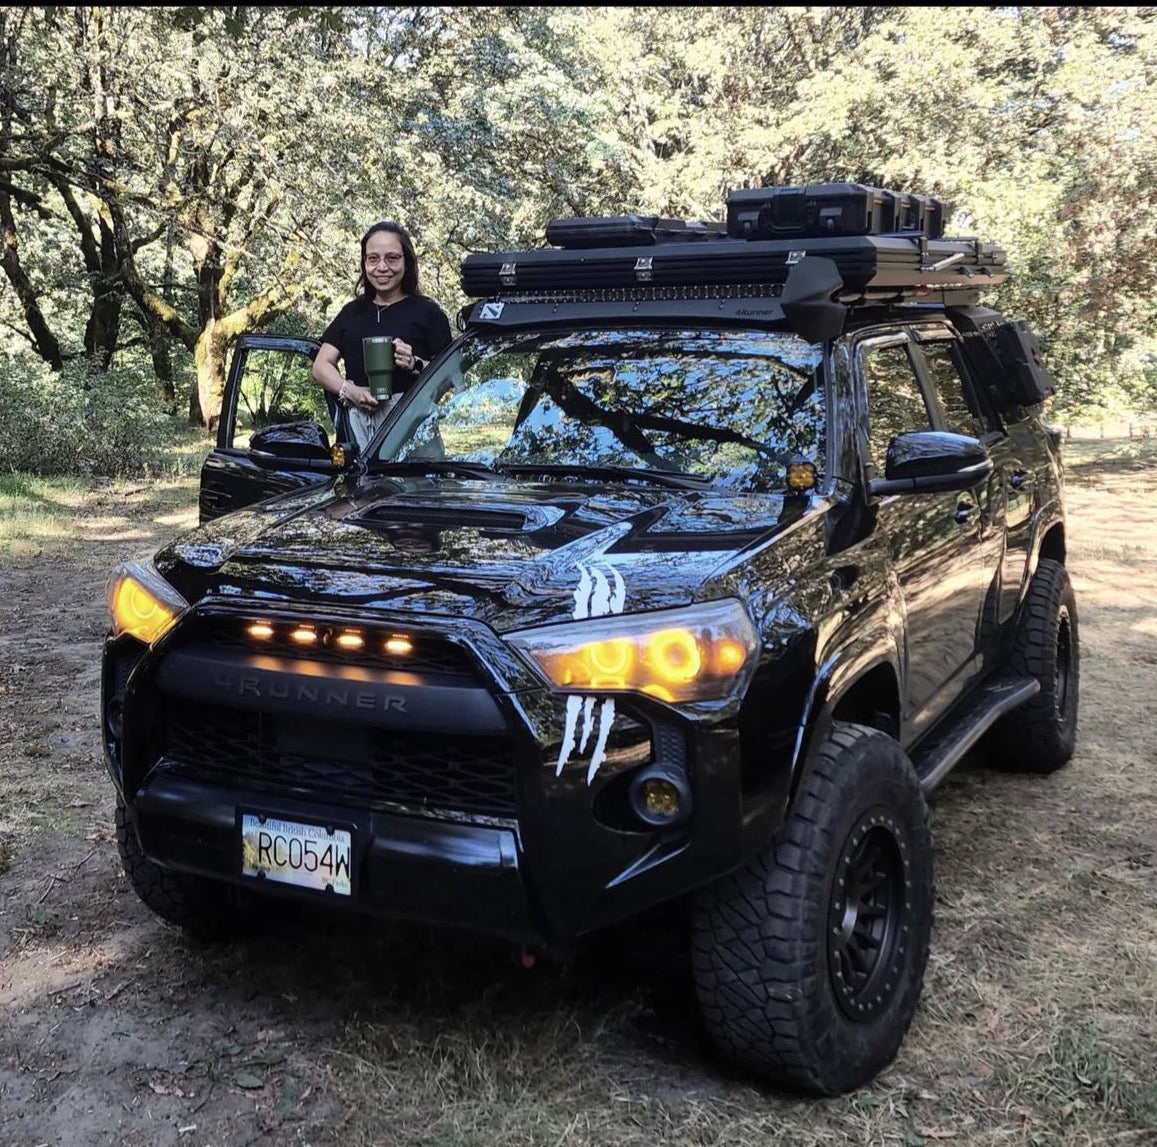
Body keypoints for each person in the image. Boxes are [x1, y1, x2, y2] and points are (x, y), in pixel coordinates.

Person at [312, 220, 453, 448]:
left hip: (413, 434)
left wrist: (414, 363)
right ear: (364, 263)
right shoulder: (351, 313)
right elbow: (321, 366)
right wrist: (350, 391)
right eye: (373, 258)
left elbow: (449, 377)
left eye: (392, 258)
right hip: (357, 431)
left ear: (407, 262)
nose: (382, 267)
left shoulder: (428, 313)